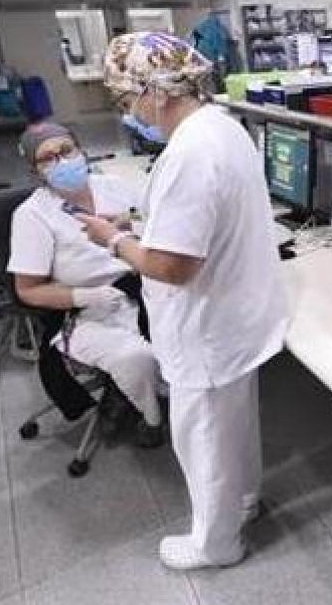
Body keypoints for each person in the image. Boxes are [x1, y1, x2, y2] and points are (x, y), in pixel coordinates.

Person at [81, 32, 289, 570]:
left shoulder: (188, 154)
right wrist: (144, 223)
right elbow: (204, 220)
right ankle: (243, 504)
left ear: (157, 89)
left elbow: (174, 266)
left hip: (208, 327)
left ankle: (216, 544)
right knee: (234, 427)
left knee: (203, 439)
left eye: (128, 101)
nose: (131, 113)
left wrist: (115, 241)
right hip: (239, 316)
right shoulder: (223, 128)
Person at [8, 121, 165, 447]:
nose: (62, 162)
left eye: (66, 151)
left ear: (81, 150)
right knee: (137, 358)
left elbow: (153, 227)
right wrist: (85, 296)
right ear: (36, 171)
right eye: (48, 159)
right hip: (86, 313)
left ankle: (139, 391)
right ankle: (151, 420)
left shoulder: (113, 186)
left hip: (143, 288)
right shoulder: (33, 216)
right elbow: (27, 290)